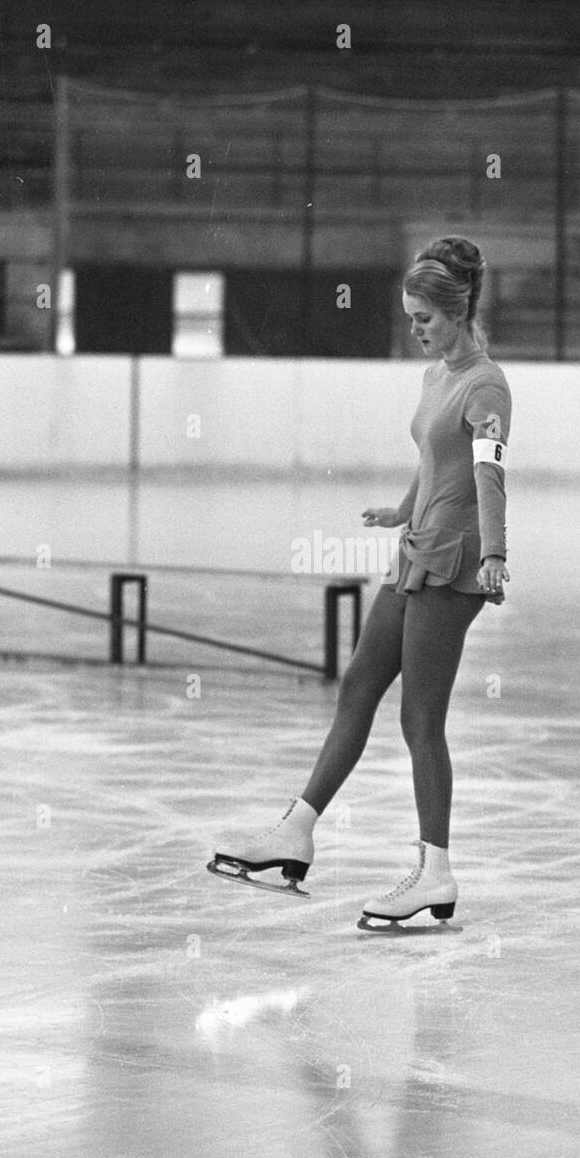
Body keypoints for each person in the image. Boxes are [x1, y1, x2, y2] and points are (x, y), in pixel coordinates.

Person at [208, 235, 511, 928]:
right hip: (415, 548)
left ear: (456, 313)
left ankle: (435, 874)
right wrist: (402, 509)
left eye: (423, 319)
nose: (414, 330)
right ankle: (296, 829)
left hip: (455, 564)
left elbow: (488, 473)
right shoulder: (435, 376)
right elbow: (438, 458)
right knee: (358, 683)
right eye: (408, 318)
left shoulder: (485, 383)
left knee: (419, 719)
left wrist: (495, 555)